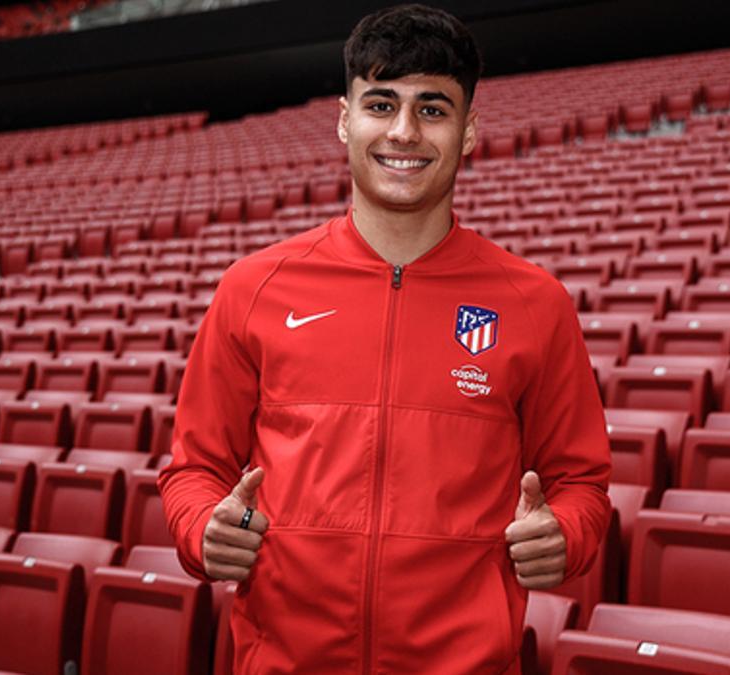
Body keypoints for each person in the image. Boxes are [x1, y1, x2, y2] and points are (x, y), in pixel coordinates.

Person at [158, 4, 612, 672]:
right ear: (345, 120)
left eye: (433, 109)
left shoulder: (534, 303)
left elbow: (582, 483)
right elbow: (193, 469)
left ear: (469, 132)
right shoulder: (253, 288)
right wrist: (204, 529)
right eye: (380, 104)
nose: (404, 131)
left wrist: (564, 534)